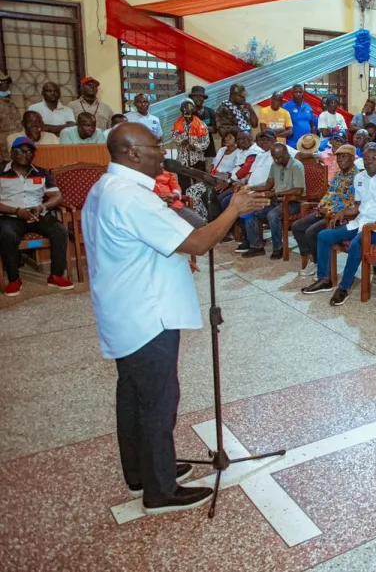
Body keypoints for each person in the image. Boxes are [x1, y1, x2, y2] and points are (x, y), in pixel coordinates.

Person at [83, 122, 267, 514]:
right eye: (156, 145)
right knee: (157, 401)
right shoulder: (131, 197)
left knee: (133, 395)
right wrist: (233, 209)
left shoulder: (104, 188)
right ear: (133, 152)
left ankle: (144, 472)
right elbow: (198, 242)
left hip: (124, 310)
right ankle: (161, 491)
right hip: (148, 315)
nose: (163, 152)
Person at [302, 145, 376, 305]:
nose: (370, 161)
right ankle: (325, 279)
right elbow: (357, 206)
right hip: (359, 222)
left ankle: (344, 288)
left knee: (356, 244)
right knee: (323, 236)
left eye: (375, 158)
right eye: (367, 158)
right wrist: (343, 211)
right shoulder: (359, 178)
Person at [0, 137, 73, 296]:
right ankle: (14, 280)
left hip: (38, 214)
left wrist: (42, 207)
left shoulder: (41, 172)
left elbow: (57, 197)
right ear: (11, 152)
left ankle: (56, 276)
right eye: (20, 150)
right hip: (10, 216)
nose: (25, 154)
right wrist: (17, 211)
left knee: (60, 231)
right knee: (7, 235)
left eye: (29, 152)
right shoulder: (1, 171)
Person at [292, 144, 357, 278]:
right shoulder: (338, 175)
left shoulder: (357, 177)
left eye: (344, 157)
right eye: (338, 157)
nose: (340, 160)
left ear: (352, 158)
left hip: (340, 217)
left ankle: (319, 264)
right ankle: (313, 259)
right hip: (326, 211)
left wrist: (329, 209)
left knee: (311, 232)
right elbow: (330, 193)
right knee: (297, 226)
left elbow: (351, 203)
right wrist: (321, 205)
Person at [237, 143, 305, 259]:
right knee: (251, 210)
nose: (277, 160)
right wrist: (249, 188)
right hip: (277, 200)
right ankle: (256, 247)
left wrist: (275, 193)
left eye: (280, 158)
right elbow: (268, 185)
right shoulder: (275, 165)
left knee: (272, 215)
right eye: (274, 158)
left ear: (287, 154)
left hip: (293, 202)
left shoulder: (296, 166)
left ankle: (278, 248)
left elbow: (298, 190)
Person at [170, 100, 209, 187]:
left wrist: (195, 147)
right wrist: (181, 141)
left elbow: (206, 143)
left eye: (190, 107)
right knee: (184, 187)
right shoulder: (176, 124)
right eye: (184, 107)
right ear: (181, 109)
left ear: (194, 109)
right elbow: (174, 137)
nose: (187, 109)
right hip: (182, 161)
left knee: (200, 187)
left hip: (198, 160)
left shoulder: (202, 125)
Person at [187, 86, 218, 158]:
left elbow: (215, 129)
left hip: (209, 149)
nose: (198, 98)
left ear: (204, 98)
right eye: (196, 96)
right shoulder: (188, 113)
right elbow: (186, 129)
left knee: (209, 164)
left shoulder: (210, 112)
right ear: (191, 98)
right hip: (193, 149)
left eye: (201, 96)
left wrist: (200, 128)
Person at [0, 71, 19, 162]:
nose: (4, 84)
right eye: (0, 82)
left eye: (6, 82)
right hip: (3, 152)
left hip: (15, 148)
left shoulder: (10, 102)